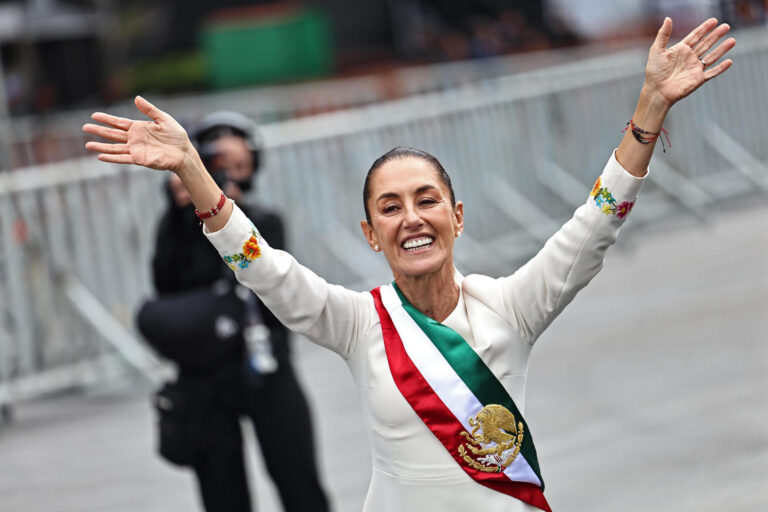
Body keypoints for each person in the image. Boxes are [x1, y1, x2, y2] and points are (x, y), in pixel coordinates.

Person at [83, 18, 735, 512]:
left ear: (458, 216)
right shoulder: (357, 322)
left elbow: (594, 225)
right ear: (371, 234)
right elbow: (263, 267)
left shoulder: (513, 305)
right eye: (390, 207)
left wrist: (650, 107)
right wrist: (193, 170)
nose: (412, 218)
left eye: (427, 200)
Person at [136, 112, 330, 512]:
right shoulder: (176, 225)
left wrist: (225, 214)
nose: (230, 178)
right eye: (218, 167)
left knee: (299, 483)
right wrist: (179, 212)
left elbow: (267, 285)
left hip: (264, 366)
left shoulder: (264, 220)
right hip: (204, 376)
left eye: (240, 167)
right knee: (222, 495)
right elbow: (165, 284)